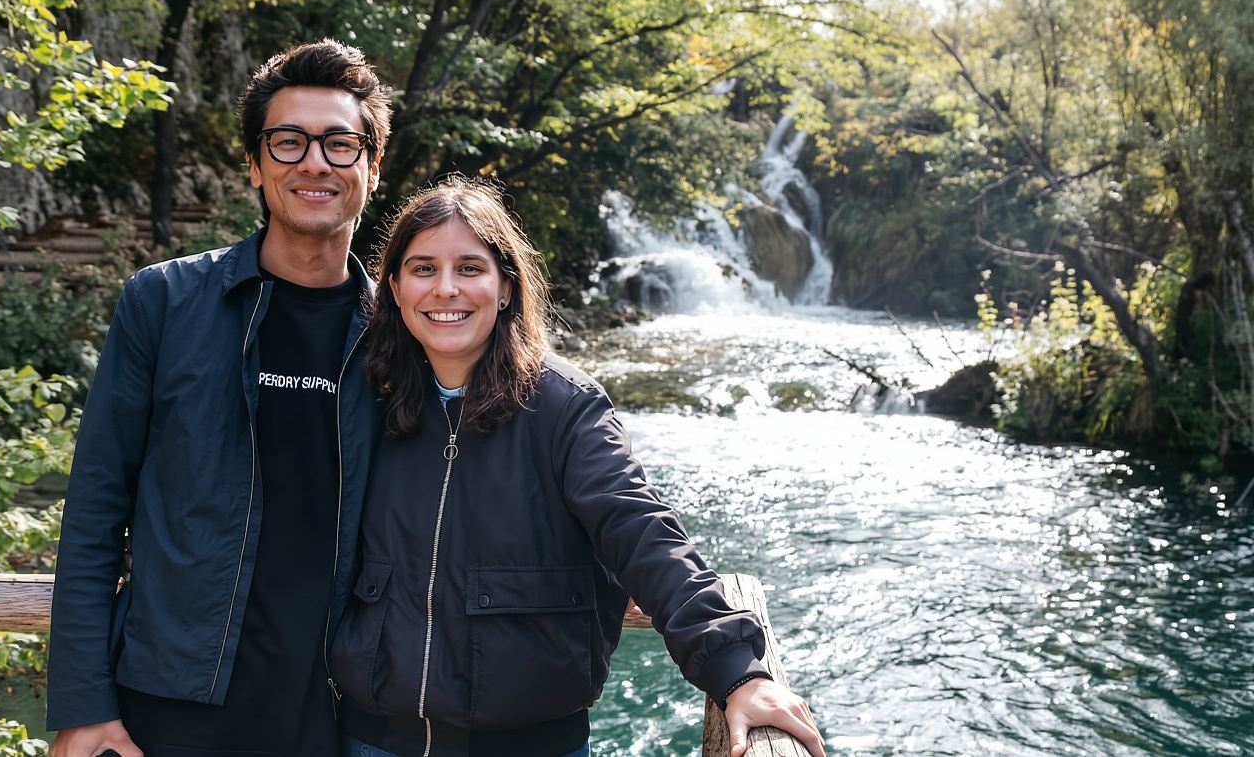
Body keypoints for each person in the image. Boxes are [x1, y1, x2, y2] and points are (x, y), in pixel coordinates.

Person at [329, 175, 825, 757]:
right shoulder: (365, 399)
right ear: (393, 286)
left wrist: (737, 671)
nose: (446, 289)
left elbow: (638, 528)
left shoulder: (564, 406)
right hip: (373, 740)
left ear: (505, 287)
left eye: (469, 268)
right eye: (423, 268)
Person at [46, 39, 391, 757]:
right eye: (288, 141)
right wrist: (84, 704)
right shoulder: (163, 303)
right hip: (165, 710)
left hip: (333, 715)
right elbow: (94, 511)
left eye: (340, 144)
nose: (315, 163)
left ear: (372, 165)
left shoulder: (401, 333)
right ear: (255, 165)